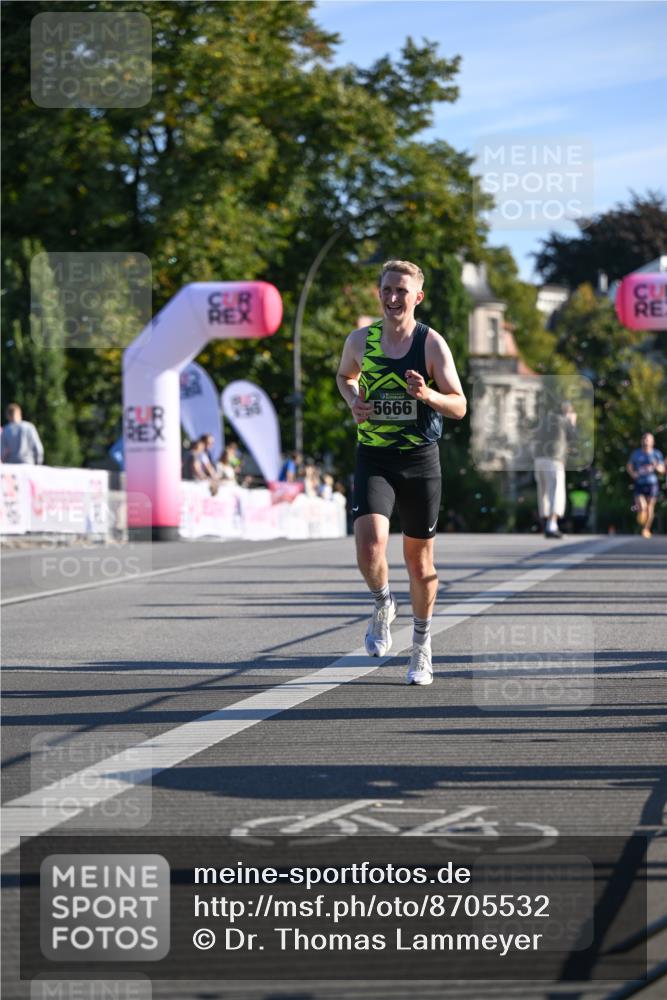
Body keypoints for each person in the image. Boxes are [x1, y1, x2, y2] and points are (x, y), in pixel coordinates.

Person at [336, 259, 466, 686]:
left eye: (401, 292)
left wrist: (427, 394)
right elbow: (345, 376)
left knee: (419, 560)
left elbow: (460, 406)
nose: (393, 298)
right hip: (374, 456)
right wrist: (354, 400)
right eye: (387, 289)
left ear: (417, 297)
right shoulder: (360, 340)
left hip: (419, 461)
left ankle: (422, 646)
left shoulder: (430, 344)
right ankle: (381, 603)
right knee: (370, 545)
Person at [533, 400, 578, 539]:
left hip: (538, 460)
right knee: (556, 492)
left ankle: (547, 524)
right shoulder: (564, 420)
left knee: (544, 493)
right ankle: (552, 525)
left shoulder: (544, 420)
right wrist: (572, 422)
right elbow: (574, 437)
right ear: (567, 412)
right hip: (554, 460)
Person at [627, 432, 664, 539]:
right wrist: (633, 473)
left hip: (652, 484)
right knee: (642, 506)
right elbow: (629, 466)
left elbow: (662, 470)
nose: (646, 441)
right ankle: (641, 514)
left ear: (653, 442)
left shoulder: (656, 454)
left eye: (648, 440)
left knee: (650, 508)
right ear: (641, 441)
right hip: (639, 483)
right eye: (644, 439)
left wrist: (656, 466)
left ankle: (646, 529)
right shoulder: (636, 454)